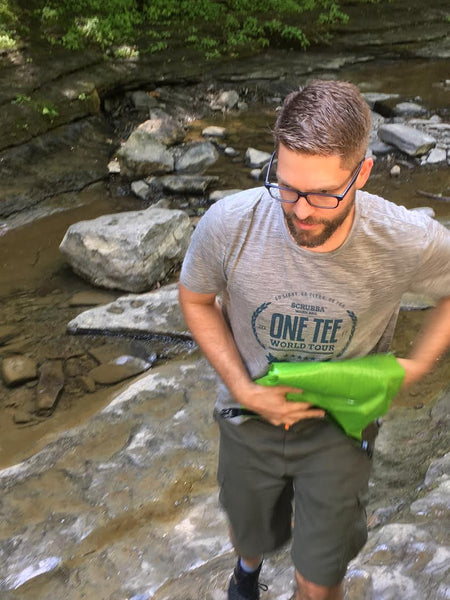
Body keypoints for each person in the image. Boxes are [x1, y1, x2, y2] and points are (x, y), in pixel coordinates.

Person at [178, 79, 450, 600]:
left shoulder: (402, 239)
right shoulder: (230, 223)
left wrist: (415, 367)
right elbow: (195, 299)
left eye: (325, 194)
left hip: (341, 421)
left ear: (363, 173)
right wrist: (244, 388)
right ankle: (247, 569)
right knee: (251, 530)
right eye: (286, 185)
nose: (301, 210)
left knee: (318, 579)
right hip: (249, 412)